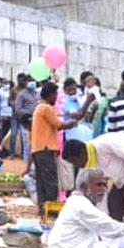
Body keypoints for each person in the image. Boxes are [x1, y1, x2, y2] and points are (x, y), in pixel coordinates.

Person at [63, 132, 124, 229]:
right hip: (122, 175)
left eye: (74, 161)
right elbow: (100, 194)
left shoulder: (105, 145)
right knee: (114, 201)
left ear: (82, 154)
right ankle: (114, 235)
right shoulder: (89, 165)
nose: (75, 165)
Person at [31, 81, 76, 210]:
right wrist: (72, 123)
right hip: (45, 148)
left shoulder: (39, 108)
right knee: (51, 182)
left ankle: (43, 208)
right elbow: (59, 125)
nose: (56, 97)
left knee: (42, 181)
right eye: (55, 94)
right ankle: (50, 210)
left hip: (38, 148)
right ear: (50, 95)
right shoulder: (46, 108)